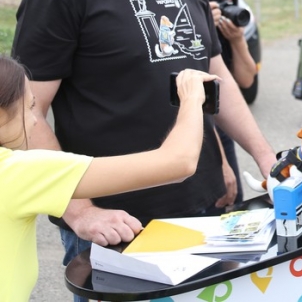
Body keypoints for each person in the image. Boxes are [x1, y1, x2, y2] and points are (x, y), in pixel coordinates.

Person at [11, 0, 277, 302]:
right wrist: (78, 210)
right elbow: (24, 117)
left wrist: (265, 158)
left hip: (204, 210)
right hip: (120, 227)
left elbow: (216, 76)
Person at [0, 55, 216, 302]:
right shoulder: (16, 172)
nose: (36, 120)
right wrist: (191, 99)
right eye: (28, 107)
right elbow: (179, 162)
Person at [170, 0, 254, 207]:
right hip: (192, 139)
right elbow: (195, 89)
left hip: (213, 132)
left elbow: (237, 80)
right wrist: (220, 160)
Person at [203, 0, 260, 204]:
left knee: (235, 199)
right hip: (202, 128)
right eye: (220, 0)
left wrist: (237, 40)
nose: (227, 6)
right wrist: (203, 24)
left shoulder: (227, 32)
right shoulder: (195, 30)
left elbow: (247, 80)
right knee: (214, 199)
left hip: (223, 125)